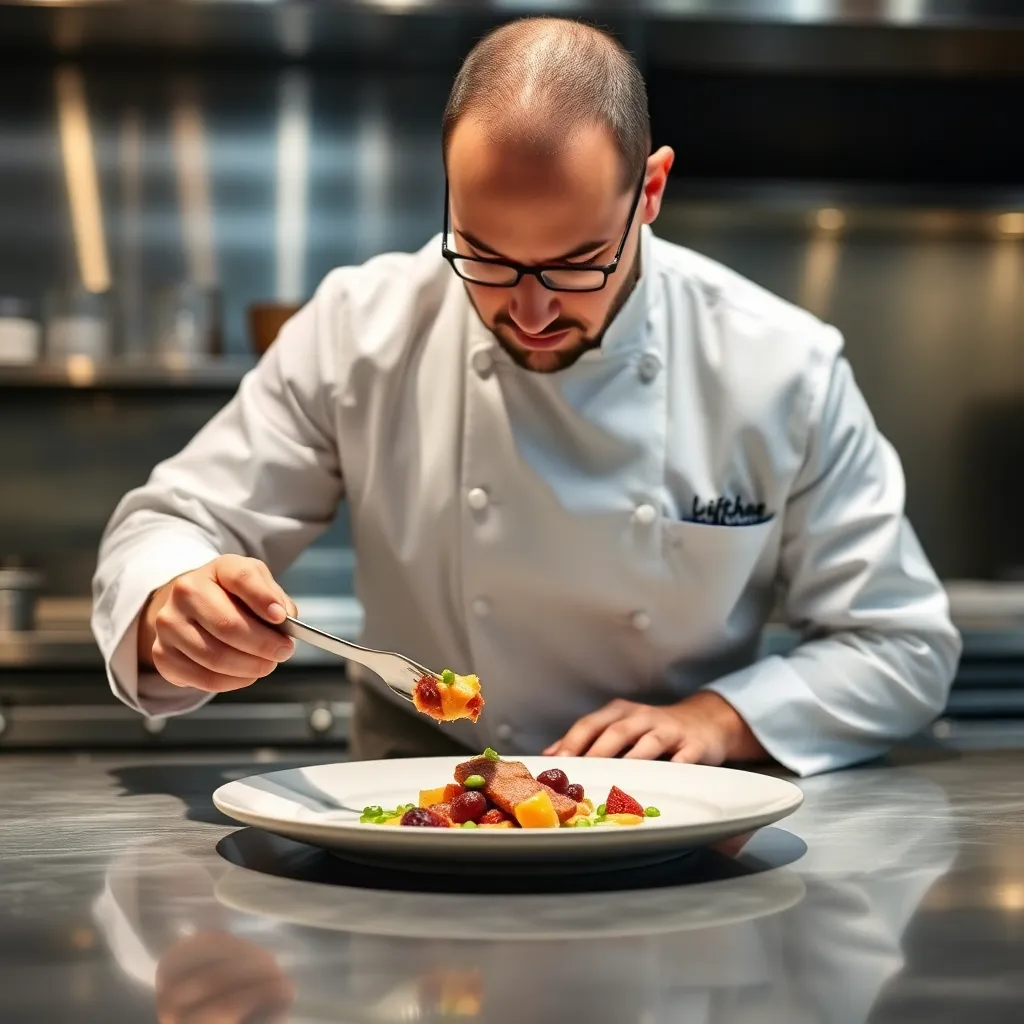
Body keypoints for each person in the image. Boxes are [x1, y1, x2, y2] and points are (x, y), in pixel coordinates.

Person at [92, 17, 960, 777]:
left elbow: (902, 645)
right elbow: (165, 526)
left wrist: (723, 721)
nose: (531, 309)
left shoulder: (782, 367)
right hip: (412, 816)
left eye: (577, 262)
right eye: (487, 255)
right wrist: (174, 603)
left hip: (677, 827)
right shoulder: (359, 327)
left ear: (649, 192)